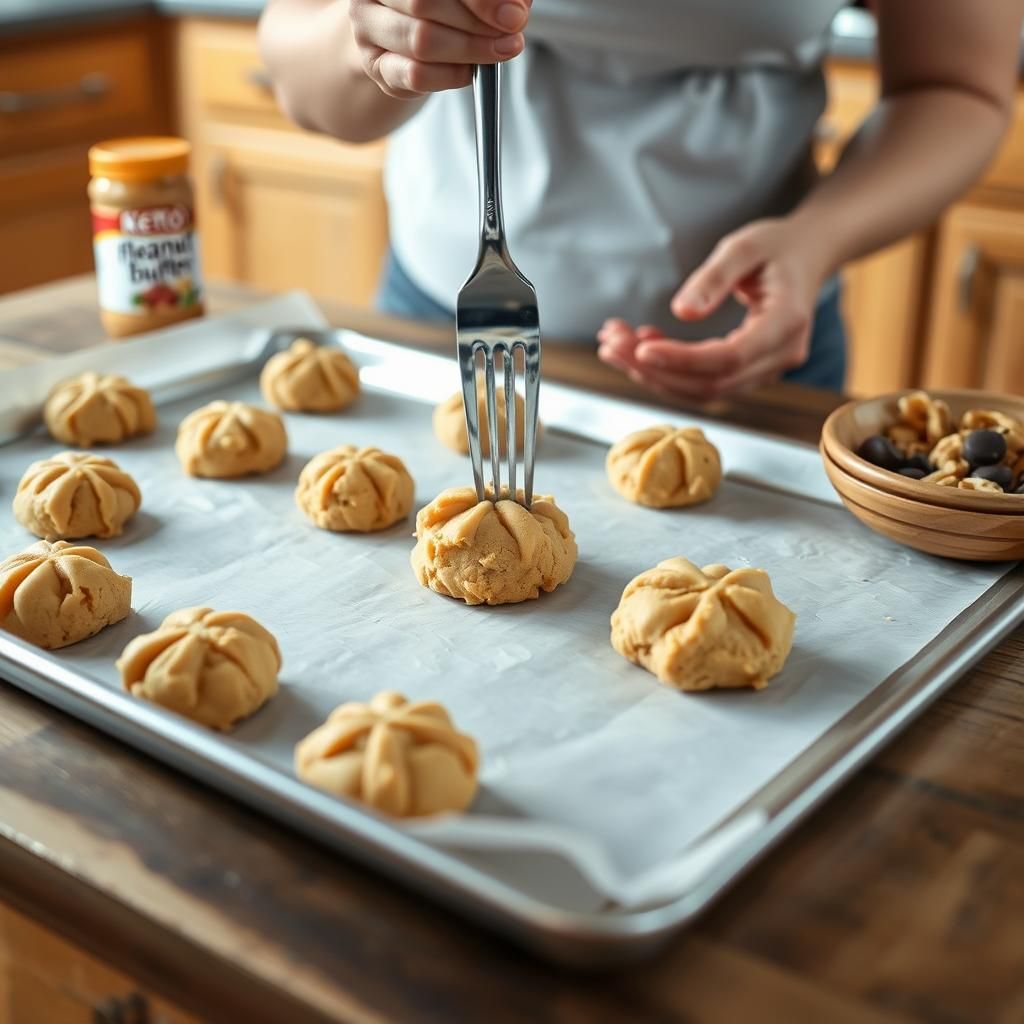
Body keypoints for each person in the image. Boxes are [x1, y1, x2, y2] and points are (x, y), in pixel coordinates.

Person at [259, 0, 1021, 398]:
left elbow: (955, 85)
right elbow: (303, 64)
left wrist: (818, 237)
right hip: (442, 324)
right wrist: (377, 38)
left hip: (756, 352)